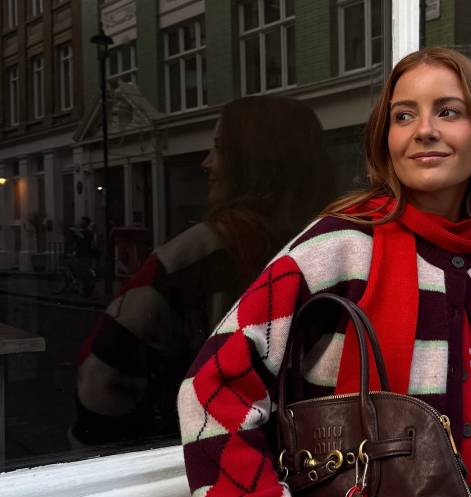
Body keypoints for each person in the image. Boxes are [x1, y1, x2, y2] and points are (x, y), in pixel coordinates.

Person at [178, 48, 471, 497]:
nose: (424, 130)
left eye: (448, 112)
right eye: (404, 116)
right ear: (386, 140)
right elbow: (210, 389)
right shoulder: (338, 249)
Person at [71, 96, 334, 446]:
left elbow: (103, 380)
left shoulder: (194, 257)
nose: (206, 162)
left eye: (220, 148)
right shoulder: (328, 245)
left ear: (253, 163)